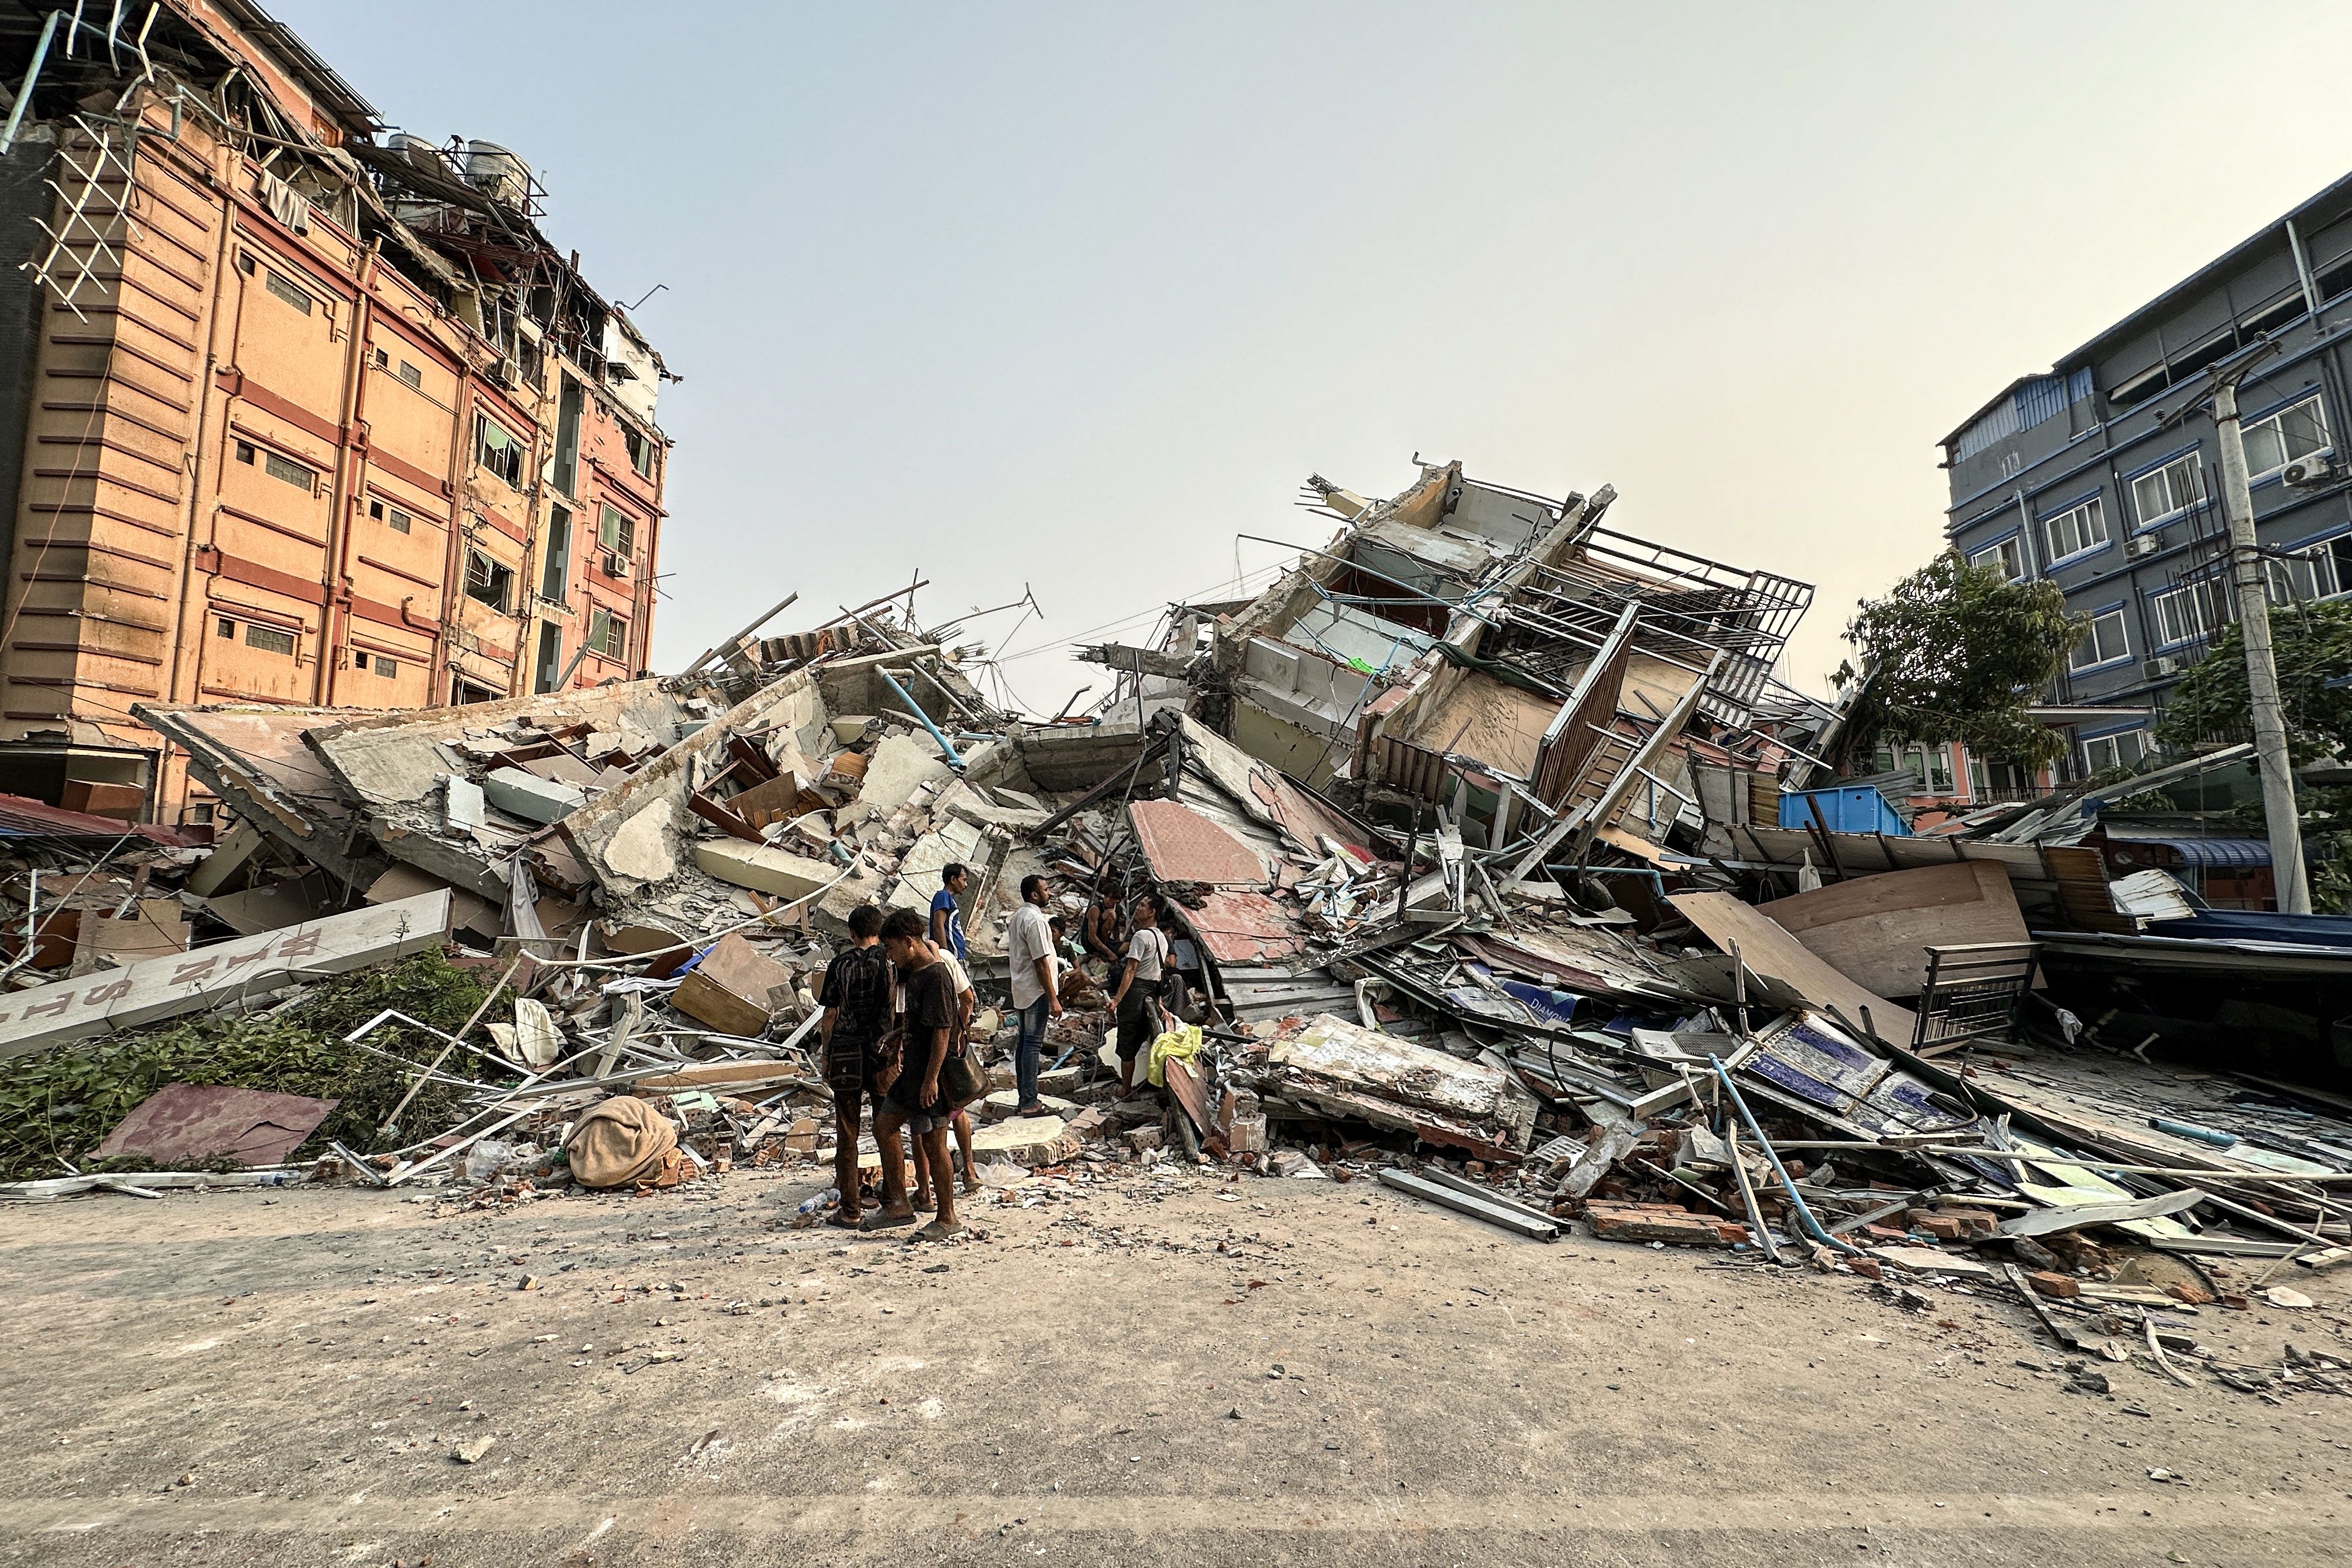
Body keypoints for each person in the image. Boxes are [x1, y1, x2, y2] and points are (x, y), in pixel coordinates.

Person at [872, 907, 965, 1241]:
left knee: (934, 1144)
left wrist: (930, 1081)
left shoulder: (936, 975)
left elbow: (942, 1031)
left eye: (893, 949)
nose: (891, 957)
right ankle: (897, 1203)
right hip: (912, 1071)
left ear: (909, 943)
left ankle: (947, 1216)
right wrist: (897, 1036)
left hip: (930, 1075)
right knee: (884, 1126)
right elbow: (921, 1022)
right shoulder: (913, 972)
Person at [814, 903, 892, 1228]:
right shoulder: (889, 960)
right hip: (881, 1052)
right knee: (886, 1128)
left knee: (847, 1132)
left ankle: (850, 1209)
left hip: (846, 1052)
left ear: (851, 932)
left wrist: (826, 1055)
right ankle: (893, 1200)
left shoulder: (839, 964)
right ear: (879, 930)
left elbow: (829, 1015)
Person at [907, 929, 982, 1205]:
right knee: (957, 1107)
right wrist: (959, 1032)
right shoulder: (948, 959)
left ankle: (926, 1192)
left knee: (924, 1125)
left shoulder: (920, 968)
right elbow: (968, 999)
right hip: (951, 1046)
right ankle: (970, 1171)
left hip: (927, 1050)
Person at [1005, 873, 1060, 1115]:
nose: (1050, 894)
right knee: (1032, 1044)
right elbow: (1041, 962)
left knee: (1025, 1043)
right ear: (1034, 894)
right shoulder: (1035, 920)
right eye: (1046, 890)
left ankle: (1024, 1098)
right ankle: (1029, 1102)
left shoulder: (1019, 917)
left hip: (1022, 988)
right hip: (1036, 989)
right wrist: (1053, 997)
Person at [1107, 893, 1172, 1096]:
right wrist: (1160, 1002)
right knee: (1146, 1038)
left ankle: (1126, 1091)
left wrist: (1116, 1000)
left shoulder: (1140, 936)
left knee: (1127, 1043)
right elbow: (1159, 971)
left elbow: (1131, 970)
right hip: (1152, 992)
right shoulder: (1162, 937)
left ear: (1152, 912)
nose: (1138, 907)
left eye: (1143, 905)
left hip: (1135, 993)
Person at [1081, 887, 1128, 978]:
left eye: (1111, 898)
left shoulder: (1118, 909)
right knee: (1111, 914)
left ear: (1117, 900)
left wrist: (1118, 943)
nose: (1107, 900)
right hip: (1090, 941)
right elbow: (1092, 937)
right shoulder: (1096, 909)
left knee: (1128, 946)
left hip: (1106, 940)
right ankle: (1101, 953)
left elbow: (1116, 929)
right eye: (1106, 896)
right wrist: (1110, 953)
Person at [929, 863, 968, 963]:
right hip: (952, 956)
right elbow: (938, 926)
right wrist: (946, 956)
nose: (966, 885)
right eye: (964, 880)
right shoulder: (943, 896)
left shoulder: (949, 899)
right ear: (953, 880)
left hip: (956, 956)